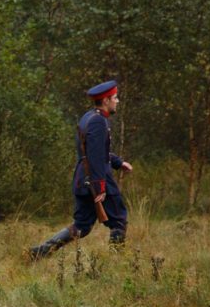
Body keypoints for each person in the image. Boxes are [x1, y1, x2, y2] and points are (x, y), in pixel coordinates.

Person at [28, 80, 133, 260]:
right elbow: (94, 157)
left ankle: (41, 252)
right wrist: (100, 188)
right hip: (98, 181)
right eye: (115, 98)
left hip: (83, 180)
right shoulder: (98, 122)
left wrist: (117, 162)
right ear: (106, 100)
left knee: (81, 226)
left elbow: (96, 150)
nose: (117, 101)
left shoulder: (88, 117)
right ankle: (118, 263)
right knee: (119, 220)